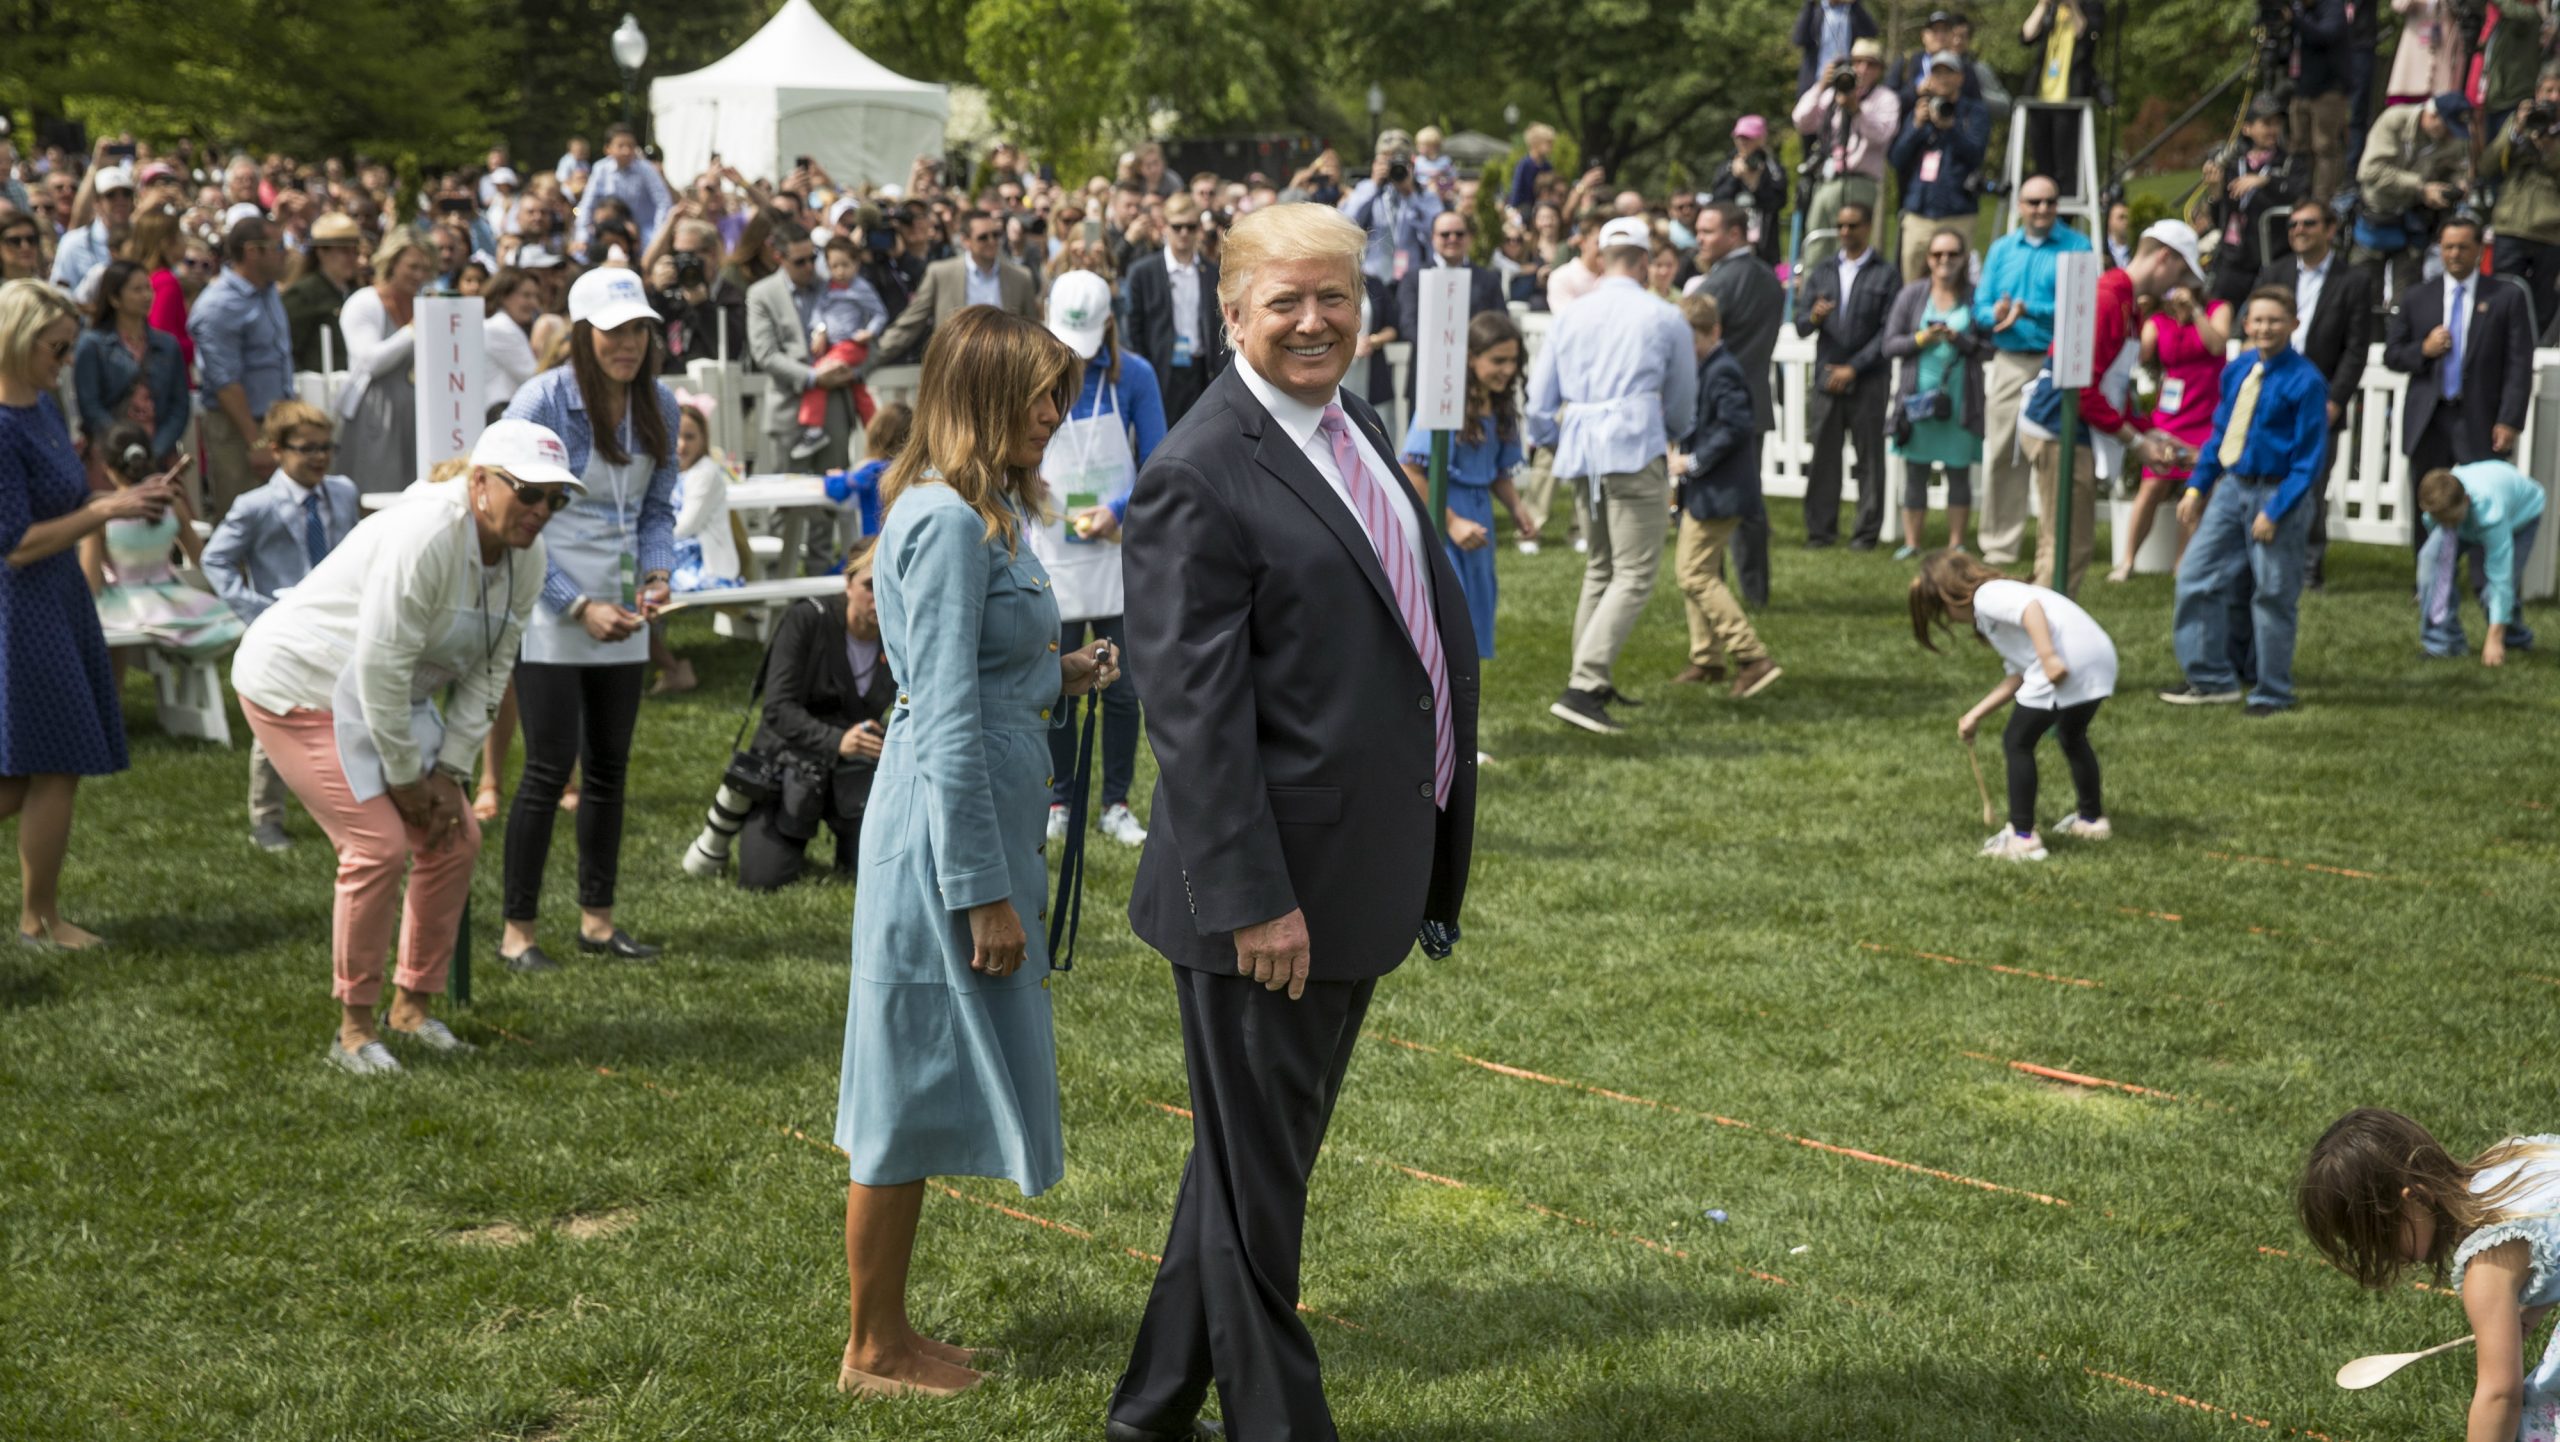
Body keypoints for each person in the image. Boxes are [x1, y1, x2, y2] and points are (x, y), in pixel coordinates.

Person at [1108, 201, 1477, 1442]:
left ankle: (1151, 1408)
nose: (1314, 320)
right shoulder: (1195, 473)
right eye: (1285, 301)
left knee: (1244, 1164)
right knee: (1259, 1186)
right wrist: (1256, 894)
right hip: (1271, 897)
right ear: (1231, 315)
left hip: (1354, 869)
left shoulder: (1347, 422)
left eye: (1334, 296)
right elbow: (1191, 714)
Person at [832, 305, 1117, 1399]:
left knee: (919, 1070)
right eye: (1040, 394)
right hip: (947, 833)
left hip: (976, 811)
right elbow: (943, 707)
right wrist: (982, 892)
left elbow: (983, 676)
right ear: (986, 394)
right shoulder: (949, 521)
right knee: (901, 1079)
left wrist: (1062, 674)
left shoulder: (979, 512)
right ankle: (871, 1345)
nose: (1055, 413)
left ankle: (892, 1325)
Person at [231, 420, 562, 1074]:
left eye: (557, 498)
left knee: (454, 835)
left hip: (384, 695)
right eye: (529, 492)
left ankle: (412, 1009)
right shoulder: (427, 534)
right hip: (301, 683)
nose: (542, 510)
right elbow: (381, 664)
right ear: (480, 485)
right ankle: (353, 1032)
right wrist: (410, 781)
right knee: (375, 846)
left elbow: (492, 670)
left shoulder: (530, 556)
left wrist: (451, 773)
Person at [496, 267, 680, 973]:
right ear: (582, 334)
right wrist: (577, 603)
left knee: (609, 767)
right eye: (614, 330)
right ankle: (519, 931)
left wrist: (658, 573)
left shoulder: (658, 401)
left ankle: (597, 923)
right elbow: (515, 519)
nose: (628, 343)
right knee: (547, 768)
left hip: (622, 604)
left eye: (638, 329)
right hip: (551, 602)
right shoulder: (540, 400)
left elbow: (657, 509)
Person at [0, 279, 172, 949]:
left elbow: (64, 505)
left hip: (55, 600)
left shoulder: (41, 407)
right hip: (22, 607)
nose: (67, 358)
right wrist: (102, 511)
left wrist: (125, 499)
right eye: (57, 346)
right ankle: (40, 920)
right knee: (47, 764)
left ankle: (38, 917)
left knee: (28, 772)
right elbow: (13, 546)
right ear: (17, 339)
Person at [1527, 216, 1698, 735]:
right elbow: (1683, 400)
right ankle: (1584, 682)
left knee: (1602, 566)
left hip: (1584, 447)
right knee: (1633, 573)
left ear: (1602, 257)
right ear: (1644, 262)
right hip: (1633, 443)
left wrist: (1557, 438)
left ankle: (1589, 682)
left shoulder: (1573, 315)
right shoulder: (1664, 316)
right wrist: (1669, 432)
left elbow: (1539, 402)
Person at [2295, 1110, 2560, 1442]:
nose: (2383, 1255)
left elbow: (2499, 1395)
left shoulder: (2486, 1270)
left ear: (2415, 1198)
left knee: (2539, 1419)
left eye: (2380, 1238)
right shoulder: (2512, 1161)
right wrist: (2535, 1307)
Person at [1032, 270, 1164, 850]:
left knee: (1120, 685)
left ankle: (1115, 801)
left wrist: (1118, 508)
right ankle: (1059, 799)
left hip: (1113, 554)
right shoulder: (1029, 378)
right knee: (1055, 682)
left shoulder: (1133, 376)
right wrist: (1024, 482)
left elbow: (1159, 462)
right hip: (1052, 553)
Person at [2162, 287, 2330, 715]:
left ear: (2293, 325)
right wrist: (2198, 487)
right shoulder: (2237, 370)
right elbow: (2220, 434)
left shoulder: (2306, 381)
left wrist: (2275, 511)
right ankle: (2210, 677)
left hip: (2278, 493)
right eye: (2257, 320)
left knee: (2272, 593)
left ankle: (2272, 690)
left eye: (2274, 321)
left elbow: (2309, 459)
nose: (2264, 328)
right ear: (2246, 324)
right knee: (2196, 576)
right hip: (2233, 487)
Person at [202, 399, 361, 852]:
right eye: (306, 448)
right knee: (275, 722)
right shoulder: (257, 506)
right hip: (281, 630)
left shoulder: (344, 492)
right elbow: (215, 559)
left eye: (326, 448)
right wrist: (256, 609)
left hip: (336, 625)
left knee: (347, 714)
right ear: (276, 450)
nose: (318, 457)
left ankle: (347, 807)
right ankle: (266, 817)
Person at [683, 551, 894, 889]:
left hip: (856, 773)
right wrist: (837, 741)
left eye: (891, 583)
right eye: (870, 584)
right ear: (847, 584)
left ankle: (853, 842)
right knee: (763, 879)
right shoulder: (808, 618)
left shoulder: (901, 631)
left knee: (878, 872)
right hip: (789, 764)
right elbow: (777, 709)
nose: (881, 594)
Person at [1909, 548, 2117, 861]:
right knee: (2071, 736)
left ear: (1948, 594)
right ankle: (2091, 820)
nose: (1949, 618)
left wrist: (2048, 657)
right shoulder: (1994, 607)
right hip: (2097, 659)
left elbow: (2031, 609)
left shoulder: (1987, 595)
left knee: (2017, 741)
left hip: (2067, 661)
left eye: (1941, 609)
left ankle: (2023, 836)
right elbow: (2019, 675)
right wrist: (1974, 715)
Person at [2039, 221, 2206, 595]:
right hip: (2058, 426)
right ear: (2164, 257)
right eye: (2180, 271)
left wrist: (2152, 434)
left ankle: (2046, 634)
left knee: (2070, 549)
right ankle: (2040, 641)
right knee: (2064, 550)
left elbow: (2110, 388)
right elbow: (2079, 389)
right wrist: (2137, 442)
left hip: (2072, 427)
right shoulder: (2109, 299)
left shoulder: (2126, 302)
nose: (2176, 286)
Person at [1399, 310, 1538, 688]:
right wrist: (1452, 522)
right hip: (1443, 521)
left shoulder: (1501, 406)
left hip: (1479, 526)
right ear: (1471, 358)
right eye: (1498, 360)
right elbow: (1413, 471)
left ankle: (1464, 733)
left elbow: (1494, 471)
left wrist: (1517, 508)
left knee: (1472, 626)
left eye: (1513, 361)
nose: (1507, 370)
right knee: (1445, 628)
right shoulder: (1444, 407)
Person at [1973, 175, 2092, 567]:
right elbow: (1981, 306)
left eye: (2050, 202)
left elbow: (2084, 304)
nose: (2042, 209)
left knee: (2052, 457)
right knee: (2003, 452)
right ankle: (1999, 546)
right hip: (2009, 359)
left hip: (2055, 363)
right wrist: (1998, 313)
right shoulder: (2002, 249)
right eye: (2034, 202)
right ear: (2020, 206)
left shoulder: (2078, 246)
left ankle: (2053, 542)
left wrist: (2031, 309)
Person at [2257, 200, 2374, 587]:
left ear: (2329, 228)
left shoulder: (2353, 280)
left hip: (2321, 400)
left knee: (2311, 484)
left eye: (2308, 223)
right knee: (2266, 478)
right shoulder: (2275, 272)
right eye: (2292, 225)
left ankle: (2308, 569)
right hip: (2273, 397)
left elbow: (2357, 348)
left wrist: (2335, 400)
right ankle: (2264, 558)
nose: (2298, 231)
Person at [1670, 293, 1780, 696]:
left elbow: (1735, 427)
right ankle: (1707, 659)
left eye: (1691, 340)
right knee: (1702, 571)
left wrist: (1693, 461)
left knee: (1693, 573)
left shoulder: (1724, 371)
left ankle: (1751, 657)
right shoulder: (1707, 367)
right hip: (1709, 491)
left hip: (1722, 491)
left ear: (1713, 332)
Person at [2384, 217, 2535, 483]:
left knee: (2482, 510)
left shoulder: (2506, 296)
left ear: (2479, 249)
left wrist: (2509, 420)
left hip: (2480, 418)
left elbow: (2518, 365)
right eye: (2448, 247)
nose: (2454, 254)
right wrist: (2424, 349)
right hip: (2429, 420)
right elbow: (2393, 355)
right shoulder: (2418, 296)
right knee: (2428, 511)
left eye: (2463, 247)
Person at [1794, 201, 1902, 551]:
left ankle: (1865, 535)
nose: (1844, 232)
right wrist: (1813, 317)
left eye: (1852, 225)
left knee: (1869, 458)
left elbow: (1889, 331)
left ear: (1868, 226)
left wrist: (1854, 367)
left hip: (1868, 378)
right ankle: (1820, 532)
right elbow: (1800, 326)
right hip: (1827, 375)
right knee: (1824, 457)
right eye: (1840, 225)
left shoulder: (1885, 273)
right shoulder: (1822, 271)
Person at [83, 420, 239, 662]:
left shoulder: (102, 513)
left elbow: (91, 583)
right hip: (172, 599)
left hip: (126, 603)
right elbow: (202, 558)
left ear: (106, 466)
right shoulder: (172, 504)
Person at [1697, 201, 1783, 608]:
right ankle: (1756, 592)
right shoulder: (1769, 279)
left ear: (1734, 234)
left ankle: (1710, 586)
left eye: (1708, 231)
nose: (1699, 238)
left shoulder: (1716, 286)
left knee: (1712, 506)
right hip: (1756, 401)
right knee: (1750, 504)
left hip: (1716, 406)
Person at [1885, 226, 1988, 558]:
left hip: (1960, 398)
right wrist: (1922, 339)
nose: (1945, 260)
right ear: (1928, 259)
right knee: (1916, 472)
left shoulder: (1976, 297)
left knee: (1959, 472)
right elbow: (1889, 345)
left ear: (1963, 258)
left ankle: (1956, 542)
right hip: (1918, 400)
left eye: (1953, 254)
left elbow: (1989, 347)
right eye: (1938, 254)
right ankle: (1912, 542)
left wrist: (1959, 339)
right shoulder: (1912, 295)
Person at [2111, 287, 2224, 579]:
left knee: (2198, 490)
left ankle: (2183, 564)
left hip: (2208, 415)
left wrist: (2195, 312)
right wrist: (2140, 313)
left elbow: (2216, 345)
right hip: (2171, 416)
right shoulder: (2159, 322)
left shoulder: (2217, 310)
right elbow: (2138, 355)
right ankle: (2127, 562)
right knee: (2151, 486)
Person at [189, 216, 292, 519]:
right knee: (245, 522)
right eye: (277, 246)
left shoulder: (268, 290)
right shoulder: (218, 305)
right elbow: (225, 383)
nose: (284, 253)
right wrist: (256, 441)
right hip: (240, 431)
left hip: (275, 424)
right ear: (252, 252)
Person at [748, 223, 860, 471]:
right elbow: (765, 354)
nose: (809, 266)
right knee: (788, 504)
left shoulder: (831, 285)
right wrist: (813, 378)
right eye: (800, 262)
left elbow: (858, 331)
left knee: (836, 501)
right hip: (789, 411)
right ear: (779, 258)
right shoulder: (761, 294)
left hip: (834, 410)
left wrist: (850, 368)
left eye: (813, 258)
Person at [869, 210, 1041, 367]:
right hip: (956, 373)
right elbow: (911, 322)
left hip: (1006, 372)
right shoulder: (941, 274)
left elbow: (1032, 332)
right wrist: (871, 359)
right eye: (983, 237)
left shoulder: (1021, 277)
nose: (992, 241)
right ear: (965, 240)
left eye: (996, 235)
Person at [333, 228, 432, 495]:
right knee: (374, 494)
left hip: (415, 419)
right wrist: (412, 330)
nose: (419, 275)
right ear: (392, 263)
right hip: (375, 416)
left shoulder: (421, 303)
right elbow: (369, 362)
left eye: (424, 268)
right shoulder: (364, 302)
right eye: (412, 267)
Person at [2416, 461, 2544, 663]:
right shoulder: (2438, 509)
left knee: (2490, 589)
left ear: (2466, 500)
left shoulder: (2491, 513)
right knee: (2429, 561)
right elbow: (2440, 563)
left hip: (2522, 515)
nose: (2447, 526)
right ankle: (2444, 644)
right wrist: (2434, 584)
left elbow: (2500, 576)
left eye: (2451, 520)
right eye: (2441, 521)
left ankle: (2513, 638)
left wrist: (2494, 639)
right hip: (2471, 509)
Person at [1793, 38, 1901, 275]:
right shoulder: (1833, 94)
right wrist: (1821, 85)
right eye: (1858, 62)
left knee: (1851, 246)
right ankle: (1811, 303)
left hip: (1860, 182)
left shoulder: (1885, 98)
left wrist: (1856, 110)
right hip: (1827, 181)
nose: (1863, 69)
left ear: (1880, 70)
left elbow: (1882, 134)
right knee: (1816, 244)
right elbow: (1802, 121)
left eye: (1871, 64)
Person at [74, 260, 189, 469]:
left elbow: (179, 405)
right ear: (115, 298)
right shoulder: (92, 346)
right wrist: (122, 445)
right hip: (109, 458)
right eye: (137, 289)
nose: (147, 295)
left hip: (159, 455)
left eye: (148, 288)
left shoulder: (167, 345)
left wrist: (156, 450)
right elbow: (90, 406)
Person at [1123, 194, 1228, 424]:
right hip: (1161, 371)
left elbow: (1223, 325)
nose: (1183, 233)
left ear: (1198, 228)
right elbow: (1133, 327)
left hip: (1203, 370)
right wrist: (1145, 371)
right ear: (1164, 226)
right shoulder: (1143, 273)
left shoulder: (1213, 273)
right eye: (1177, 226)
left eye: (1190, 227)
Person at [2355, 95, 2472, 297]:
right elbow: (2369, 171)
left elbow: (2457, 168)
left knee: (2407, 297)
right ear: (2432, 116)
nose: (2450, 136)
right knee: (2364, 295)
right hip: (2376, 217)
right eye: (2448, 127)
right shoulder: (2394, 120)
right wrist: (2421, 188)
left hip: (2413, 225)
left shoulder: (2452, 139)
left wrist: (2458, 185)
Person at [788, 233, 887, 461]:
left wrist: (869, 332)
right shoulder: (827, 288)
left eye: (845, 265)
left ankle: (813, 429)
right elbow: (818, 312)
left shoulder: (861, 288)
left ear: (857, 264)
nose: (840, 271)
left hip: (852, 344)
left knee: (820, 374)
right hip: (832, 344)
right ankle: (876, 431)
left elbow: (880, 313)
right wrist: (820, 330)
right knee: (858, 387)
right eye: (834, 266)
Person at [1890, 56, 1989, 280]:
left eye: (1948, 73)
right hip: (1919, 213)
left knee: (1956, 282)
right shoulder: (1920, 110)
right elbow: (1896, 159)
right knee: (1912, 283)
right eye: (1937, 73)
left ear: (1960, 78)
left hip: (1958, 213)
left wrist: (1951, 128)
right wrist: (1915, 125)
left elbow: (1976, 155)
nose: (1942, 79)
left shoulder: (1974, 112)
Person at [2199, 98, 2302, 309]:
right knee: (2219, 311)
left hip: (2272, 256)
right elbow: (2219, 217)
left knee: (2272, 312)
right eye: (2266, 123)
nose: (2273, 130)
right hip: (2234, 255)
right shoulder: (2232, 165)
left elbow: (2298, 191)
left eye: (2276, 123)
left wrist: (2266, 180)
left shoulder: (2288, 163)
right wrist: (2215, 192)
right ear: (2247, 128)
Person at [2483, 65, 2560, 335]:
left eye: (2559, 91)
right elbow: (2486, 166)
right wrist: (2515, 130)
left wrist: (2550, 147)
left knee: (2543, 306)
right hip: (2510, 226)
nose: (2554, 97)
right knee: (2502, 297)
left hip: (2550, 233)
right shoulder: (2520, 122)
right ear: (2537, 93)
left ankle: (2535, 358)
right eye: (2549, 90)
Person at [2019, 0, 2106, 196]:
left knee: (2065, 166)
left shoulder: (2091, 7)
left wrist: (2073, 6)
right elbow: (2026, 36)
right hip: (2040, 101)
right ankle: (2042, 203)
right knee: (2042, 164)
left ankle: (2064, 218)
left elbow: (2086, 36)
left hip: (2070, 102)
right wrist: (2042, 5)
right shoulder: (2049, 9)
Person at [1337, 130, 1442, 290]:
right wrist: (1374, 185)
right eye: (1386, 161)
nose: (1392, 167)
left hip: (1413, 280)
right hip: (1373, 278)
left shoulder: (1425, 195)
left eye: (1398, 161)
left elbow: (1436, 232)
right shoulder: (1366, 190)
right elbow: (1345, 225)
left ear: (1411, 164)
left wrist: (1410, 195)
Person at [2288, 0, 2355, 202]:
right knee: (2298, 147)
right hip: (2301, 88)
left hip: (2328, 89)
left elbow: (2326, 35)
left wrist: (2295, 20)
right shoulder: (2297, 8)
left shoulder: (2332, 6)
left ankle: (2323, 201)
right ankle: (2299, 197)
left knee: (2325, 146)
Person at [282, 213, 364, 374]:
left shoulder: (358, 293)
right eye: (343, 251)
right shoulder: (303, 295)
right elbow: (287, 348)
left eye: (354, 251)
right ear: (321, 252)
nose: (351, 257)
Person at [574, 126, 673, 250]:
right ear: (608, 149)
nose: (626, 151)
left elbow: (663, 202)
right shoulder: (600, 169)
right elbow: (588, 204)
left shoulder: (646, 169)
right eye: (621, 146)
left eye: (631, 146)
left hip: (644, 232)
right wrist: (581, 236)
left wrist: (658, 235)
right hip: (610, 231)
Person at [1707, 118, 1789, 267]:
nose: (1743, 142)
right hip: (1730, 244)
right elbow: (1717, 202)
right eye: (1739, 138)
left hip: (1764, 246)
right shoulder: (1727, 165)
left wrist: (1755, 185)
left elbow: (1778, 201)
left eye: (1748, 138)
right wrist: (1735, 176)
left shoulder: (1772, 167)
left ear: (1761, 139)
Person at [482, 267, 542, 411]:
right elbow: (533, 376)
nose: (534, 304)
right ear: (504, 296)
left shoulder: (504, 326)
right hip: (498, 413)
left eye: (535, 296)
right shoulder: (500, 328)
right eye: (526, 296)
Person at [1792, 0, 1881, 94]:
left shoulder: (1852, 13)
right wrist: (1810, 3)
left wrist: (1855, 3)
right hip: (1815, 83)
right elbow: (1799, 39)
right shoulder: (1815, 12)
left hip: (1847, 82)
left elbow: (1872, 33)